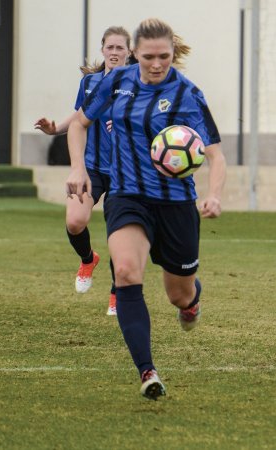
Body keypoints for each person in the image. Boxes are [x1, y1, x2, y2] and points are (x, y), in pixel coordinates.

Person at [66, 18, 226, 399]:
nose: (156, 64)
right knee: (125, 271)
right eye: (149, 57)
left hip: (176, 204)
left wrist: (214, 195)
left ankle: (191, 302)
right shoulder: (116, 82)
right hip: (127, 197)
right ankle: (147, 371)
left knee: (179, 294)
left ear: (173, 53)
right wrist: (78, 168)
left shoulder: (188, 94)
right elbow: (78, 124)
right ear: (135, 53)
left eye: (164, 57)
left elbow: (216, 156)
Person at [35, 26, 131, 316]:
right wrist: (55, 130)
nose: (114, 52)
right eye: (110, 47)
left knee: (120, 235)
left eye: (120, 47)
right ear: (102, 50)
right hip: (91, 167)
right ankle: (88, 259)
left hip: (126, 171)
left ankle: (117, 292)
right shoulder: (90, 82)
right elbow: (80, 117)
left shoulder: (137, 84)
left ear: (129, 52)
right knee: (75, 222)